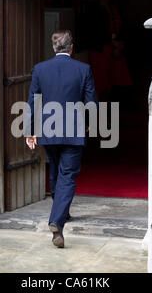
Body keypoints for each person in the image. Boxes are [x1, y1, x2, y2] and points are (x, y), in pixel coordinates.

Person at [26, 30, 98, 249]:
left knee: (56, 171)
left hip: (48, 130)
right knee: (67, 174)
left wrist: (31, 131)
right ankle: (56, 220)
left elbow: (33, 102)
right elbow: (91, 101)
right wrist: (90, 124)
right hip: (73, 131)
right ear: (71, 48)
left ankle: (62, 214)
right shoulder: (83, 69)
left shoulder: (40, 69)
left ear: (54, 47)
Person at [87, 0, 133, 101]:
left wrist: (120, 44)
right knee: (100, 84)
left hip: (114, 51)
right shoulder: (94, 8)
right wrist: (114, 44)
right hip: (99, 50)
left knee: (115, 83)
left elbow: (121, 28)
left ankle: (109, 116)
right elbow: (94, 31)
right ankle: (97, 117)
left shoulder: (113, 8)